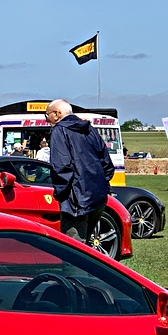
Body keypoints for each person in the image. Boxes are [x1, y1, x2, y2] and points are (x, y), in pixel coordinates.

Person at [45, 100, 114, 245]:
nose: (46, 119)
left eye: (47, 115)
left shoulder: (59, 130)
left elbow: (61, 167)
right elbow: (106, 163)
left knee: (74, 247)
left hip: (76, 199)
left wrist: (61, 194)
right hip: (98, 196)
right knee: (86, 245)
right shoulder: (90, 129)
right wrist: (101, 183)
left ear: (57, 114)